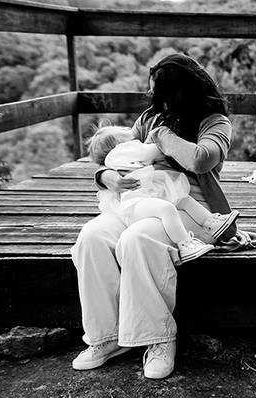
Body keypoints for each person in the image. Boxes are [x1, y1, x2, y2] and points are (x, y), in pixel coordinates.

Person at [71, 53, 236, 379]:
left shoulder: (215, 122)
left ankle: (158, 338)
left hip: (188, 206)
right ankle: (106, 336)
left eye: (159, 94)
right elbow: (121, 154)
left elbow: (202, 160)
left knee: (138, 237)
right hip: (138, 197)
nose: (153, 102)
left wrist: (163, 137)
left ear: (181, 93)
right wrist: (106, 176)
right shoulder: (150, 116)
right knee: (91, 236)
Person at [87, 124, 238, 263]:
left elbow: (200, 158)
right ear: (118, 143)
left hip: (151, 195)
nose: (131, 133)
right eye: (125, 132)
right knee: (166, 209)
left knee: (183, 200)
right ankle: (185, 243)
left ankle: (211, 221)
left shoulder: (215, 123)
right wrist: (163, 137)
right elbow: (152, 152)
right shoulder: (122, 151)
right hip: (137, 203)